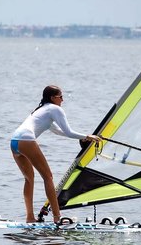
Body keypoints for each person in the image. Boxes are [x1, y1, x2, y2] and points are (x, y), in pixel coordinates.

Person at [10, 85, 101, 223]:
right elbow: (69, 132)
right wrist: (88, 136)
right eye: (60, 97)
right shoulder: (55, 109)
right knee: (48, 177)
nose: (62, 100)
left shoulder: (41, 109)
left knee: (29, 179)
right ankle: (57, 218)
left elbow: (59, 131)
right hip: (26, 140)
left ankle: (30, 217)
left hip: (14, 142)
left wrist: (83, 137)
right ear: (53, 98)